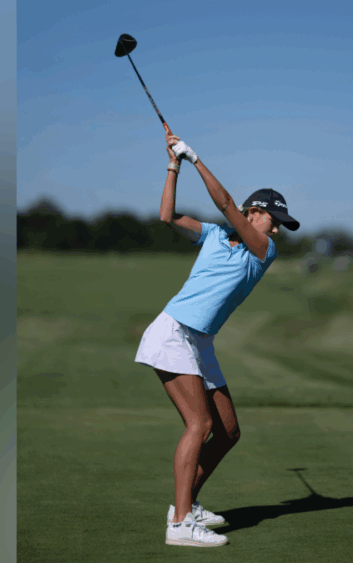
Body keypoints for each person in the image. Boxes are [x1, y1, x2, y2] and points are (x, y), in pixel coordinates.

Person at [134, 132, 300, 547]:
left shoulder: (262, 250)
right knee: (200, 423)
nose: (277, 229)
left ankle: (184, 504)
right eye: (273, 219)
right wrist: (174, 164)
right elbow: (167, 217)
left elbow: (226, 203)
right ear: (255, 211)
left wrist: (195, 158)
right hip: (173, 332)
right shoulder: (211, 235)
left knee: (227, 431)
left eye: (280, 225)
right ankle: (179, 525)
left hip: (200, 340)